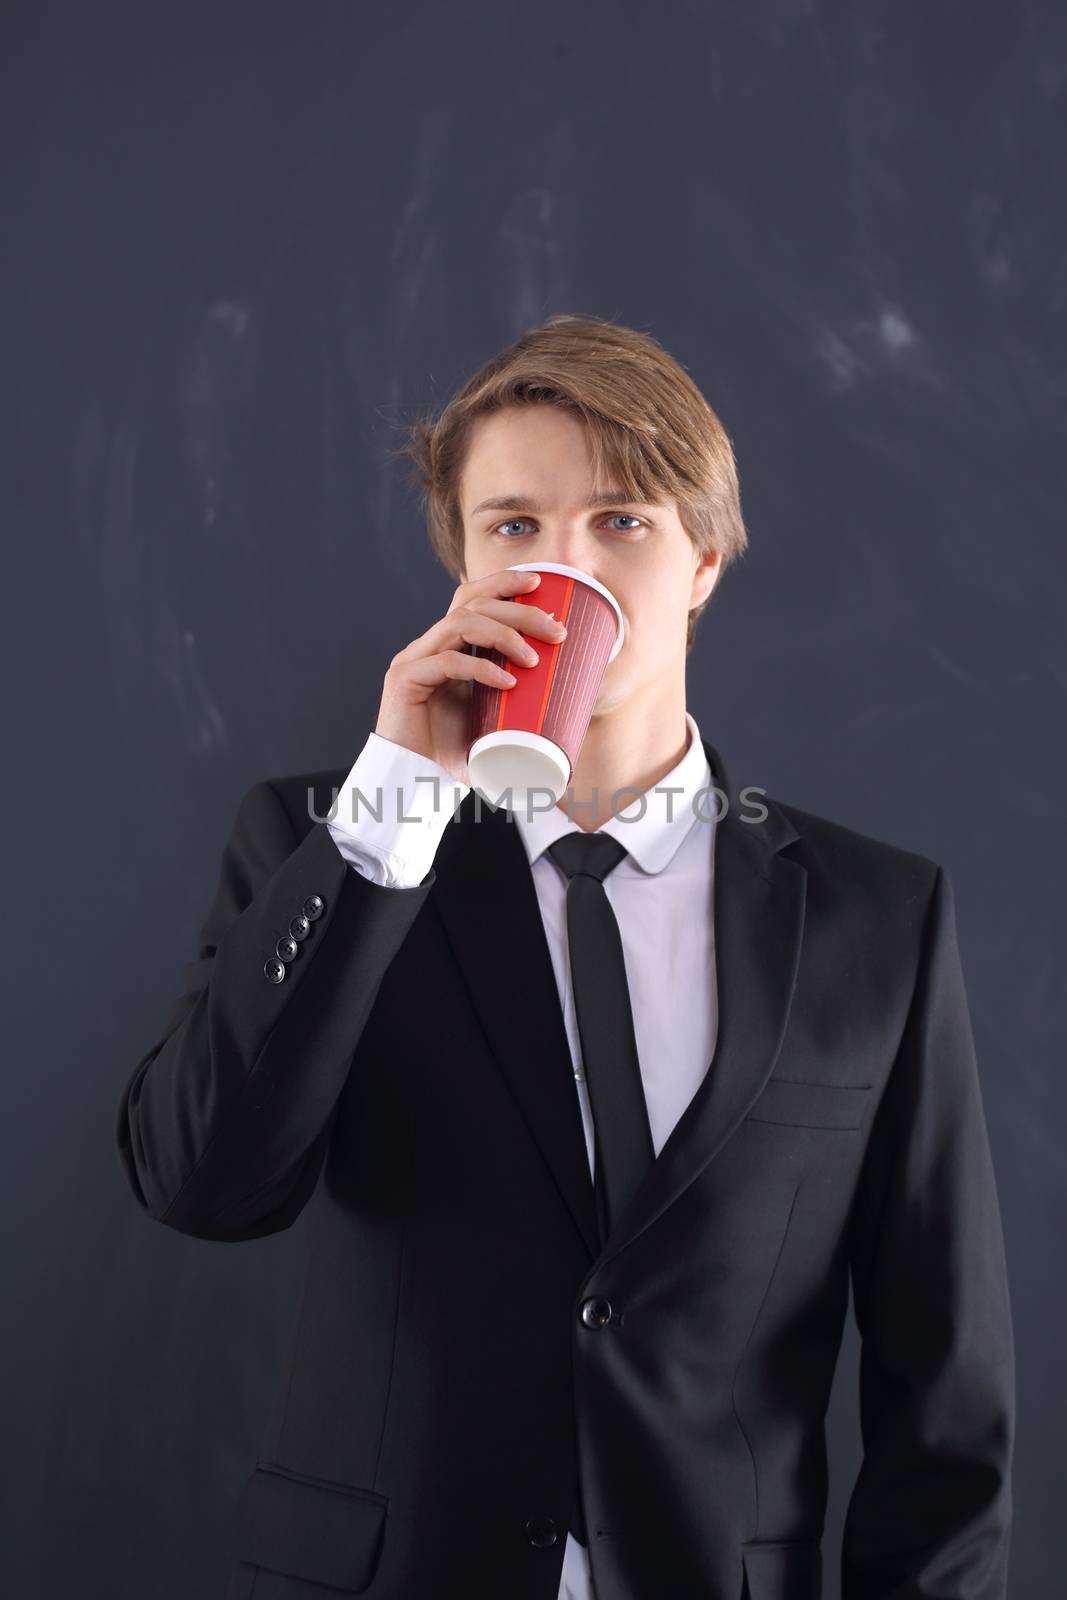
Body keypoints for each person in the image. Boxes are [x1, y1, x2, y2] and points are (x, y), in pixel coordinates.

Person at [116, 314, 1014, 1600]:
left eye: (621, 521)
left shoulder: (876, 915)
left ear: (702, 559)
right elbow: (203, 1184)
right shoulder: (332, 845)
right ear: (463, 561)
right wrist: (389, 806)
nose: (562, 567)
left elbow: (946, 1392)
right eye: (514, 526)